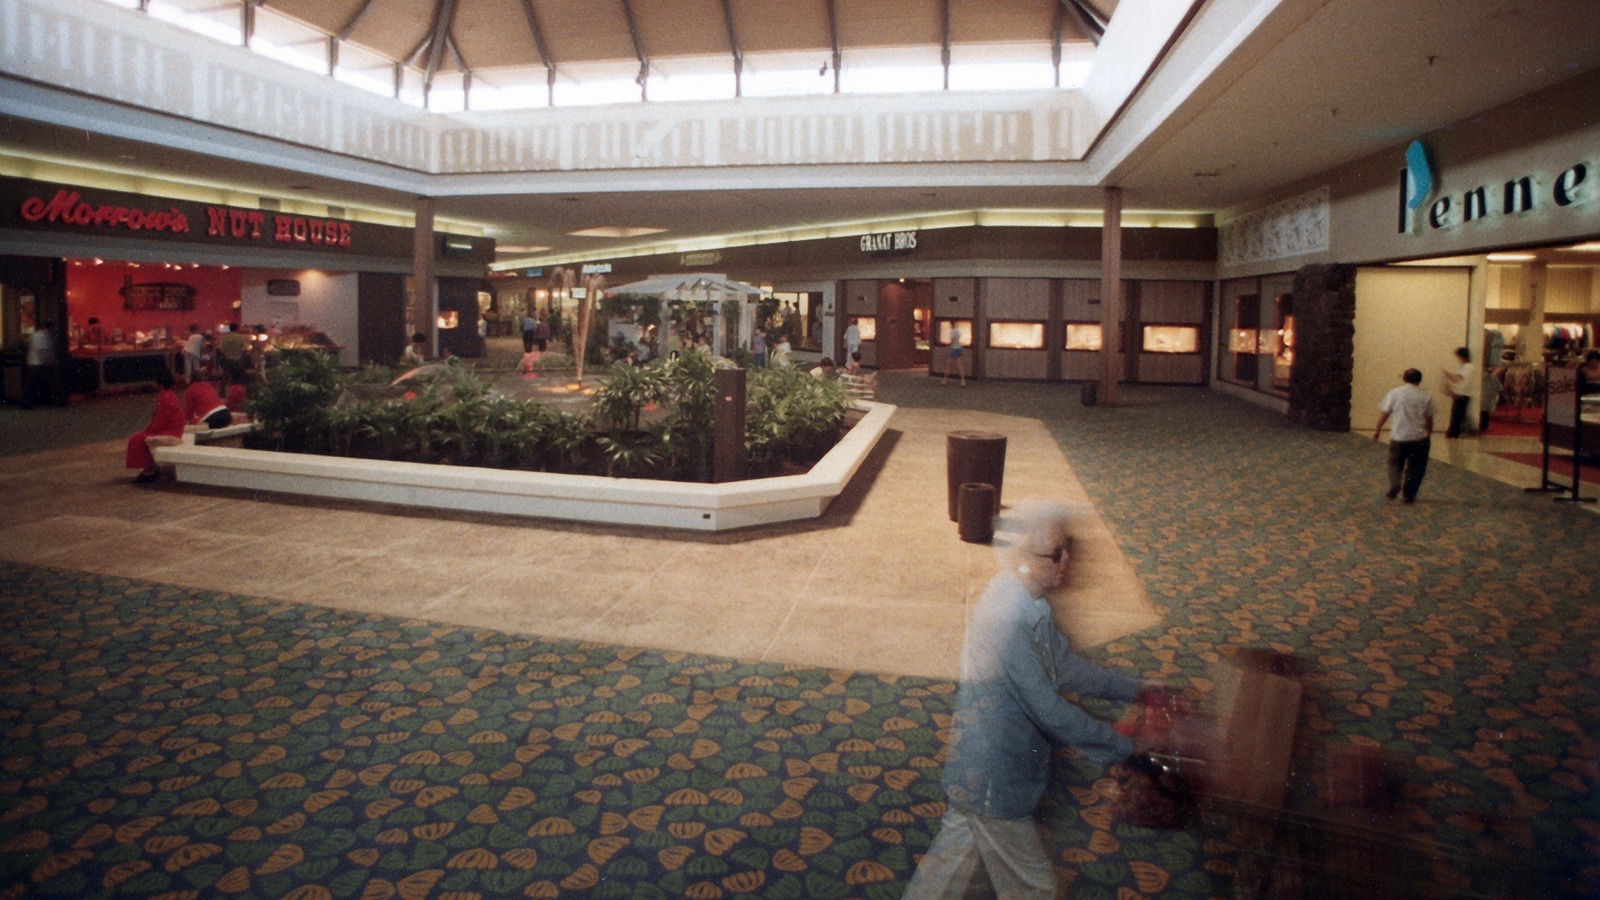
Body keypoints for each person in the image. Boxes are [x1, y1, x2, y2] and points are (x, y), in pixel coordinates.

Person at [905, 514, 1149, 898]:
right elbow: (1048, 709)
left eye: (1067, 549)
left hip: (979, 771)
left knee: (943, 877)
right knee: (1035, 889)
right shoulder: (1007, 617)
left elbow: (1065, 667)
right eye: (1054, 553)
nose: (1066, 560)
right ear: (1020, 558)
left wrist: (1136, 691)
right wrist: (1127, 750)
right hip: (993, 776)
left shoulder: (1031, 604)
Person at [1373, 368, 1435, 503]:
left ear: (1404, 379)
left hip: (1399, 436)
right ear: (1420, 380)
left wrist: (1377, 429)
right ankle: (1409, 494)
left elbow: (1385, 412)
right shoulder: (1426, 396)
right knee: (1416, 467)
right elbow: (1429, 418)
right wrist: (1428, 434)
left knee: (1395, 463)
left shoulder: (1395, 393)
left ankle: (1395, 484)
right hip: (1419, 437)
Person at [125, 368, 186, 483]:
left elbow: (160, 421)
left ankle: (150, 469)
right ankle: (150, 468)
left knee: (137, 438)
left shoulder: (164, 397)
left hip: (170, 431)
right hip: (174, 429)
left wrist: (147, 430)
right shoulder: (169, 394)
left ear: (159, 383)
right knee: (140, 437)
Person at [1441, 346, 1476, 438]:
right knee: (1457, 414)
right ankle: (1454, 432)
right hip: (1460, 393)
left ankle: (1453, 433)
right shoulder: (1463, 367)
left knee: (1457, 415)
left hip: (1463, 394)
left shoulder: (1468, 367)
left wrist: (1448, 374)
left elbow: (1458, 379)